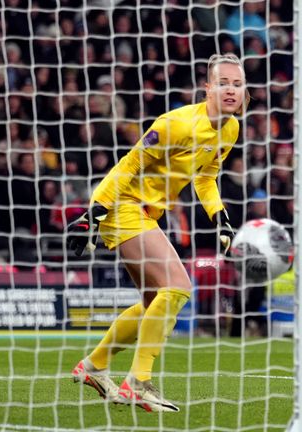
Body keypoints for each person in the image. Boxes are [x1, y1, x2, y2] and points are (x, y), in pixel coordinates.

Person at [67, 53, 248, 412]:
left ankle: (94, 366)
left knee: (154, 303)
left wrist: (221, 217)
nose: (231, 90)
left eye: (238, 84)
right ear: (207, 87)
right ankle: (139, 382)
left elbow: (206, 177)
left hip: (147, 212)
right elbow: (130, 162)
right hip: (123, 205)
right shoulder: (174, 124)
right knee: (179, 286)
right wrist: (94, 212)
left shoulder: (230, 129)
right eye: (223, 83)